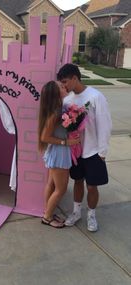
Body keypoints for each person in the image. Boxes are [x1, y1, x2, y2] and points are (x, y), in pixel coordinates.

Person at [57, 63, 112, 232]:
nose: (64, 86)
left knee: (92, 186)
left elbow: (105, 124)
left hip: (93, 150)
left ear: (75, 78)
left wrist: (102, 151)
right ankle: (76, 212)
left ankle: (91, 215)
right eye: (62, 83)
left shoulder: (96, 96)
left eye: (65, 82)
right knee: (78, 181)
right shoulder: (67, 100)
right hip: (76, 151)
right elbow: (64, 126)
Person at [38, 80, 80, 228]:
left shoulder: (60, 109)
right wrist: (66, 143)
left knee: (51, 184)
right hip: (59, 153)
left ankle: (47, 211)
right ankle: (47, 217)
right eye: (61, 87)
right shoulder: (56, 112)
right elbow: (44, 137)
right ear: (56, 93)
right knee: (61, 189)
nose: (65, 87)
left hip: (57, 151)